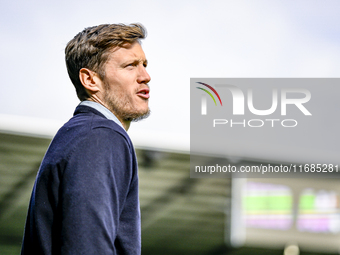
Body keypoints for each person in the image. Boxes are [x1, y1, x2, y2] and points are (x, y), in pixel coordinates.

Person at [21, 23, 151, 254]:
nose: (145, 76)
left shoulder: (80, 134)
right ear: (91, 80)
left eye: (144, 65)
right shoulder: (100, 136)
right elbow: (87, 246)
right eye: (130, 66)